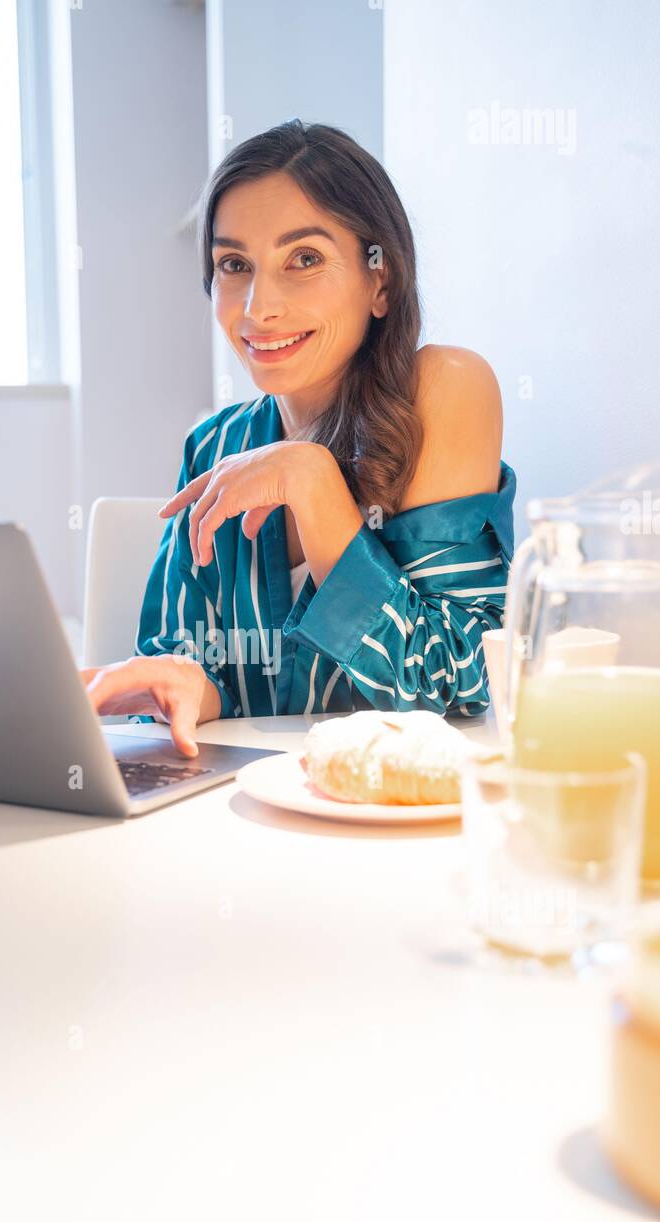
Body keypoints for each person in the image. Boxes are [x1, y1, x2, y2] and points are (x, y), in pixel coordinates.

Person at [82, 119, 515, 757]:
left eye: (304, 259)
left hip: (394, 832)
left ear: (380, 281)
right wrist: (186, 686)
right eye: (234, 265)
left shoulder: (445, 387)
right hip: (239, 817)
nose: (258, 307)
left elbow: (455, 683)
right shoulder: (213, 445)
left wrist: (313, 482)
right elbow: (194, 668)